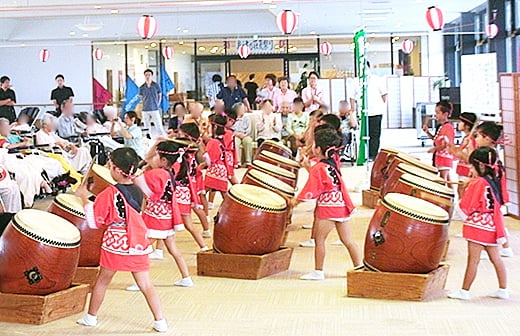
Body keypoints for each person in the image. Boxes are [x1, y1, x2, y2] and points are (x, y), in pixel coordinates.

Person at [75, 148, 168, 332]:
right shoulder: (139, 190)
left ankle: (91, 317)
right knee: (146, 284)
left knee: (102, 280)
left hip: (116, 243)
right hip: (138, 242)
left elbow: (94, 222)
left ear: (118, 170)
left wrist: (84, 198)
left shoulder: (109, 193)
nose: (109, 169)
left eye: (111, 166)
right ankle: (160, 321)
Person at [291, 128, 362, 280]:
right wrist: (306, 166)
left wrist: (295, 202)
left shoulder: (319, 167)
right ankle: (359, 267)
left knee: (319, 239)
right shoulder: (331, 164)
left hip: (328, 207)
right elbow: (322, 179)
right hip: (341, 205)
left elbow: (312, 188)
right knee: (348, 240)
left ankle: (318, 271)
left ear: (318, 149)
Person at [128, 140, 193, 289]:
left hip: (156, 218)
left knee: (142, 248)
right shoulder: (169, 172)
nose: (154, 158)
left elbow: (140, 184)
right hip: (167, 216)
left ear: (163, 160)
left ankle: (141, 283)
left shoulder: (158, 173)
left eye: (157, 156)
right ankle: (186, 278)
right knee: (173, 249)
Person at [447, 146, 509, 300]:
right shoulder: (492, 181)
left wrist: (458, 206)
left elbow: (466, 206)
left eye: (472, 166)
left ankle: (465, 291)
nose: (470, 169)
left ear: (480, 166)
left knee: (472, 261)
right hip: (492, 225)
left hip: (478, 226)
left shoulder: (478, 183)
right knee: (496, 259)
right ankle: (503, 289)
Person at [473, 121, 513, 258]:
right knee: (497, 220)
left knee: (496, 220)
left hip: (494, 190)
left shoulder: (489, 155)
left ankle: (501, 246)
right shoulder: (490, 153)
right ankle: (503, 246)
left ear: (488, 139)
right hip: (494, 189)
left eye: (478, 136)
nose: (475, 139)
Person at [423, 101, 455, 187]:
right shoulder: (441, 126)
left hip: (444, 157)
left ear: (445, 114)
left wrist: (434, 149)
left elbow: (446, 144)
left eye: (438, 113)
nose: (436, 115)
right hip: (440, 157)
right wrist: (427, 132)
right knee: (447, 179)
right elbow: (436, 140)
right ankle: (450, 197)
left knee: (442, 180)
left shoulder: (448, 127)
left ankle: (446, 198)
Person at [448, 112, 477, 199]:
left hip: (467, 172)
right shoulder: (466, 138)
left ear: (467, 126)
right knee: (460, 192)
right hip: (463, 171)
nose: (458, 124)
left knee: (463, 194)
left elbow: (471, 159)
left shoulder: (470, 140)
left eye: (461, 122)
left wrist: (458, 153)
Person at [365, 61, 388, 160]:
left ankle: (373, 154)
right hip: (363, 113)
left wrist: (379, 105)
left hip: (376, 111)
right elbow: (352, 97)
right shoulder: (357, 81)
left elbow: (384, 94)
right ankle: (365, 154)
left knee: (375, 134)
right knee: (365, 135)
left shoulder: (377, 80)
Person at [204, 114, 229, 198]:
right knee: (224, 193)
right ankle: (229, 208)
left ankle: (205, 209)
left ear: (214, 128)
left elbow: (208, 157)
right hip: (223, 170)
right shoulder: (222, 140)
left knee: (203, 192)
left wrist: (204, 165)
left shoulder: (213, 142)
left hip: (214, 169)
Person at [139, 69, 165, 138]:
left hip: (154, 108)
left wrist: (157, 103)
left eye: (149, 75)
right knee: (146, 125)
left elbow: (160, 95)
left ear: (152, 76)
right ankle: (148, 137)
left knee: (158, 124)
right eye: (146, 75)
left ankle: (162, 137)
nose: (147, 76)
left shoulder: (156, 85)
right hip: (145, 109)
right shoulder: (142, 87)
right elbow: (141, 97)